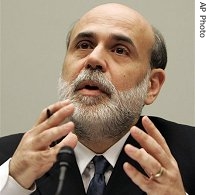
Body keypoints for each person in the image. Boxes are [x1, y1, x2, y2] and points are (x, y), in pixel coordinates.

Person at [0, 3, 194, 195]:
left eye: (119, 50)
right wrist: (13, 185)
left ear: (152, 85)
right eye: (84, 45)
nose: (93, 59)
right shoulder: (9, 161)